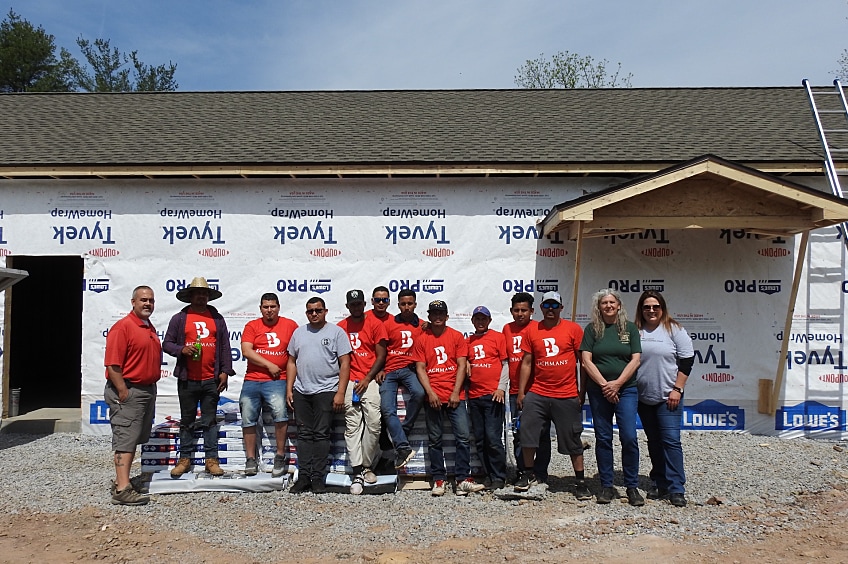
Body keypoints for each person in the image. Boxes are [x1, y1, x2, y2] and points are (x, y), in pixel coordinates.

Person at [515, 291, 591, 501]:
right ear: (540, 308)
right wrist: (522, 392)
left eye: (554, 305)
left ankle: (580, 482)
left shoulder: (573, 329)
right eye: (547, 305)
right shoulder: (533, 331)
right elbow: (527, 363)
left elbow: (582, 363)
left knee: (573, 439)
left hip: (565, 393)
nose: (550, 309)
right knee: (528, 434)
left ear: (561, 308)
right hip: (538, 392)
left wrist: (581, 391)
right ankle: (528, 474)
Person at [163, 277, 235, 478]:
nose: (201, 296)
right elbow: (166, 344)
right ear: (190, 296)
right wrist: (181, 349)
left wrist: (225, 371)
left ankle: (211, 460)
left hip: (210, 379)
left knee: (209, 420)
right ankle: (184, 459)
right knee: (187, 420)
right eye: (197, 293)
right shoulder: (180, 318)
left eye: (204, 293)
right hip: (188, 379)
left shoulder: (217, 318)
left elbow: (224, 347)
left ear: (208, 296)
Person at [413, 300, 485, 496]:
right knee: (435, 440)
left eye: (440, 314)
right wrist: (430, 393)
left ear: (446, 316)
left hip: (455, 396)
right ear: (429, 316)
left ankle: (462, 479)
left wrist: (455, 391)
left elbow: (462, 365)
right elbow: (420, 368)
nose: (437, 317)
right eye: (433, 314)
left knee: (462, 438)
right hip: (433, 396)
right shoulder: (421, 339)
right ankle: (439, 479)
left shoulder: (456, 336)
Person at [580, 288, 643, 506]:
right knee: (603, 438)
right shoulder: (591, 330)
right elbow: (586, 360)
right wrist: (605, 385)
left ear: (619, 306)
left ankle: (632, 486)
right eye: (604, 303)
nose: (608, 306)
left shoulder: (630, 329)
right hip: (599, 391)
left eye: (612, 302)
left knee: (629, 437)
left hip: (626, 389)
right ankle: (606, 486)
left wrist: (617, 384)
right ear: (599, 307)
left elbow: (635, 360)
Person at [286, 296, 352, 494]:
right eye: (310, 311)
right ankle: (304, 476)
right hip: (302, 391)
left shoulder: (336, 332)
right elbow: (291, 361)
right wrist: (289, 389)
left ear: (325, 311)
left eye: (318, 310)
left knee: (322, 434)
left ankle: (318, 477)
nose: (314, 314)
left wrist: (340, 392)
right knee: (304, 434)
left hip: (326, 390)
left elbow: (345, 363)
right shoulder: (299, 332)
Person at [635, 290, 695, 508]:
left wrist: (677, 389)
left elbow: (687, 361)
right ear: (640, 309)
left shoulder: (674, 329)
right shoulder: (635, 330)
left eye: (655, 307)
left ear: (662, 308)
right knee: (654, 441)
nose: (651, 310)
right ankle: (660, 481)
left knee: (670, 440)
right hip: (643, 397)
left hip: (668, 396)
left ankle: (676, 487)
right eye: (646, 307)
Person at [103, 286, 161, 506]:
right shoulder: (123, 327)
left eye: (151, 301)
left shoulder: (147, 326)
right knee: (125, 439)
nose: (147, 304)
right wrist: (123, 391)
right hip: (129, 390)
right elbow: (113, 364)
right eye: (143, 300)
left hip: (145, 390)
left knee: (134, 437)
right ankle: (122, 489)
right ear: (133, 302)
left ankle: (123, 480)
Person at [239, 292, 298, 477]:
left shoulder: (290, 325)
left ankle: (280, 456)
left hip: (278, 380)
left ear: (278, 307)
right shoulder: (252, 325)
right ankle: (250, 458)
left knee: (280, 412)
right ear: (260, 308)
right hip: (253, 378)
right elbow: (246, 351)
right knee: (247, 413)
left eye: (273, 306)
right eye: (266, 307)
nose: (269, 310)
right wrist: (268, 364)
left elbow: (296, 353)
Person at [337, 289, 388, 494]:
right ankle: (358, 468)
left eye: (359, 304)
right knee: (352, 425)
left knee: (374, 423)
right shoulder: (341, 327)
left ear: (364, 304)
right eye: (353, 304)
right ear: (348, 306)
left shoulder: (375, 324)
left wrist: (367, 378)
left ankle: (367, 465)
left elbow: (381, 355)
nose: (356, 307)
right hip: (350, 381)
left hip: (370, 379)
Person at [371, 287, 426, 469]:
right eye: (403, 304)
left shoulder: (423, 325)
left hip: (410, 369)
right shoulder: (388, 324)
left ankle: (403, 430)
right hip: (390, 371)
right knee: (387, 408)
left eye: (410, 304)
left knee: (419, 393)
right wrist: (380, 369)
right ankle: (403, 447)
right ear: (398, 305)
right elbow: (380, 351)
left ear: (415, 304)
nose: (406, 307)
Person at [502, 292, 551, 484]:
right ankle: (523, 472)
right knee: (519, 434)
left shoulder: (539, 328)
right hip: (516, 391)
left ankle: (540, 473)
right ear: (511, 311)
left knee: (542, 433)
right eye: (516, 310)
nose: (520, 314)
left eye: (524, 310)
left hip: (539, 390)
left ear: (532, 311)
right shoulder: (506, 329)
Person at [466, 305, 508, 490]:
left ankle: (500, 475)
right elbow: (464, 362)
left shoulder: (498, 337)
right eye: (477, 319)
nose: (480, 322)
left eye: (484, 318)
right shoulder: (468, 341)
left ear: (489, 321)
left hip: (493, 396)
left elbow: (505, 364)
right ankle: (488, 474)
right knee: (481, 439)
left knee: (493, 437)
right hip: (474, 396)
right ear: (473, 321)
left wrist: (501, 388)